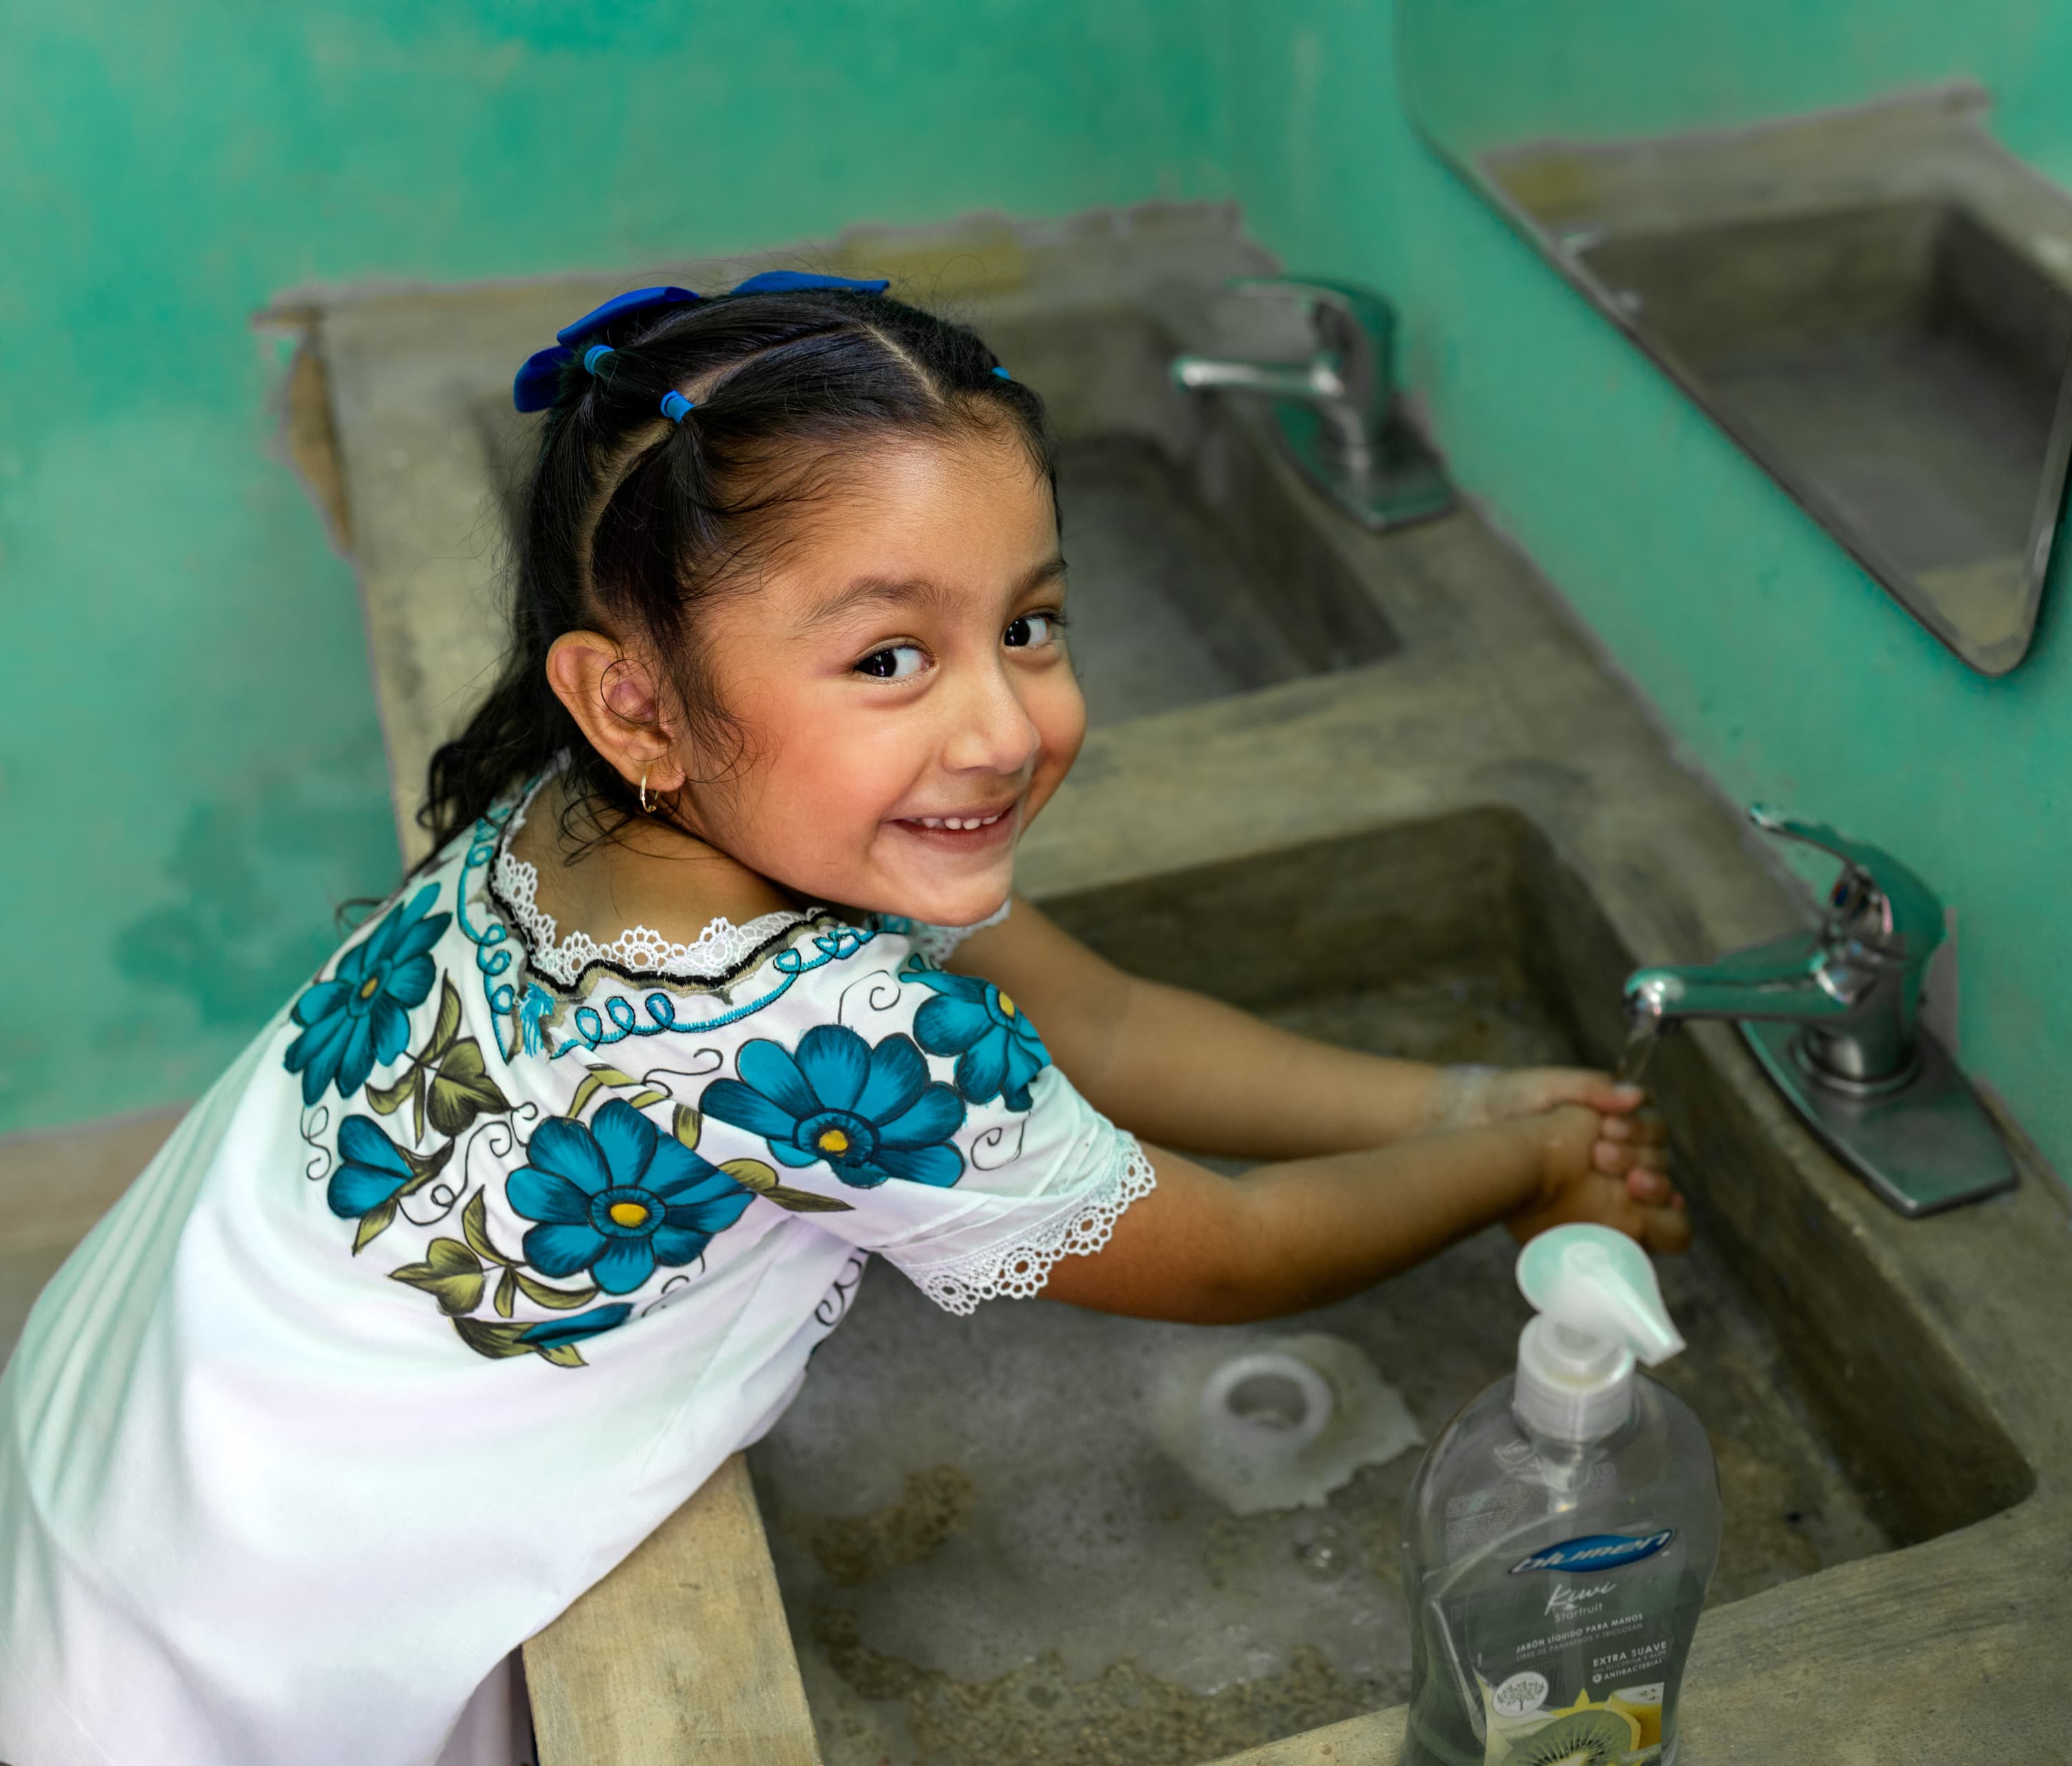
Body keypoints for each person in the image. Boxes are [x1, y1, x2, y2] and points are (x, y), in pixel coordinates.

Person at [0, 275, 1684, 1765]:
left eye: (1027, 622)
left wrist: (1452, 1098)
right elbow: (1233, 1250)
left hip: (136, 1439)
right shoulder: (850, 1049)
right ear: (635, 699)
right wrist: (1515, 1166)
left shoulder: (589, 802)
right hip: (239, 1662)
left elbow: (1102, 1011)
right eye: (891, 655)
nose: (1003, 722)